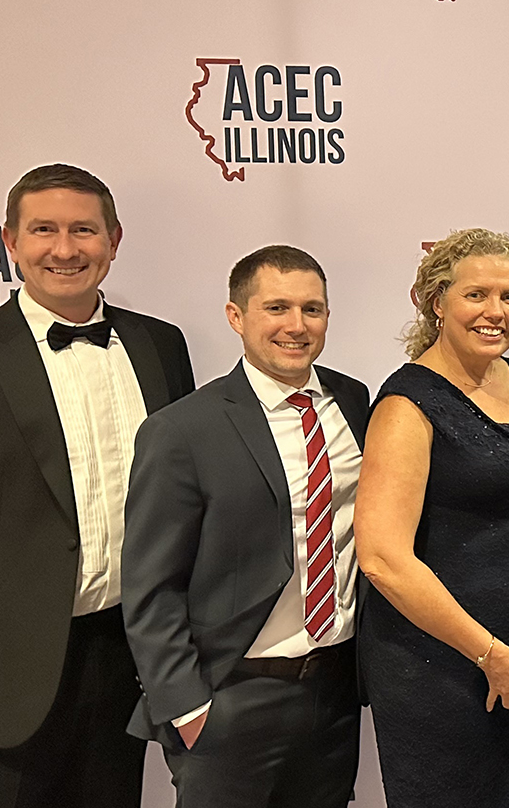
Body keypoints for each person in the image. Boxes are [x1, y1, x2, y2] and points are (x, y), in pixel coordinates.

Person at [0, 164, 194, 808]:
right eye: (44, 230)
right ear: (9, 241)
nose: (65, 249)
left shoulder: (161, 345)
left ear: (114, 240)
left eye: (84, 230)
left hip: (129, 663)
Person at [122, 246, 368, 808]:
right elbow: (151, 586)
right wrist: (187, 708)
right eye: (276, 307)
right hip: (230, 696)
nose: (296, 326)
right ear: (236, 317)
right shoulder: (182, 430)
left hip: (334, 691)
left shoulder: (352, 401)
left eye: (313, 309)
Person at [355, 229, 509, 808]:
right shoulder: (407, 404)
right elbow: (383, 558)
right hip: (440, 663)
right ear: (437, 302)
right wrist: (487, 653)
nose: (496, 312)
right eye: (476, 295)